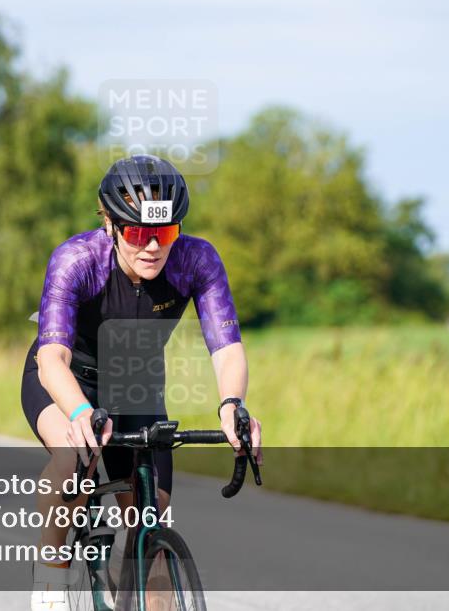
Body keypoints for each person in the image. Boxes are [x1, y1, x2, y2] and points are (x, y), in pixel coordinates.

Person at [23, 155, 262, 610]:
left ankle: (128, 578)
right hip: (66, 379)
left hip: (135, 380)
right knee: (76, 458)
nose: (152, 246)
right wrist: (79, 413)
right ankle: (50, 579)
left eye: (165, 232)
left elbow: (226, 347)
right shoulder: (77, 260)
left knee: (151, 512)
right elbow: (52, 356)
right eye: (136, 232)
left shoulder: (197, 260)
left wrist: (232, 404)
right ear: (110, 225)